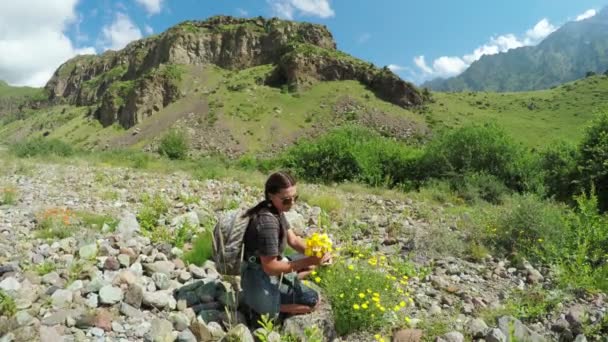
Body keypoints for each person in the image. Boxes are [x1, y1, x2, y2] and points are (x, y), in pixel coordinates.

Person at [240, 171, 330, 319]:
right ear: (270, 195)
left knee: (312, 263)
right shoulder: (267, 223)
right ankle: (266, 306)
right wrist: (309, 260)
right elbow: (270, 267)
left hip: (268, 266)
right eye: (287, 200)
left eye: (295, 198)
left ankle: (288, 281)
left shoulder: (276, 210)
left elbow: (293, 240)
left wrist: (317, 253)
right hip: (259, 275)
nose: (292, 203)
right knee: (313, 301)